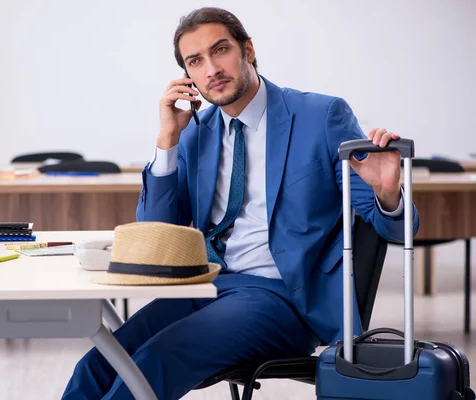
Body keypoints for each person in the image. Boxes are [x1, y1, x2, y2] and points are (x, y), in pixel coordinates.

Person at [62, 7, 420, 400]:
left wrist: (388, 192)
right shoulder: (195, 134)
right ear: (188, 77)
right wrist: (167, 142)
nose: (212, 68)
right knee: (98, 363)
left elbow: (396, 229)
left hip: (284, 298)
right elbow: (156, 237)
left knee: (156, 361)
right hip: (206, 286)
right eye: (195, 61)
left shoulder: (320, 116)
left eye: (221, 50)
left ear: (247, 50)